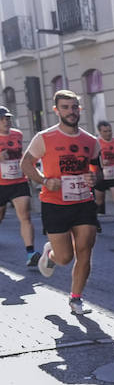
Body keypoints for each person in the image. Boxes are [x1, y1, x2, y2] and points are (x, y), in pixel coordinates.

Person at [22, 90, 101, 314]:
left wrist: (94, 177)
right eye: (65, 107)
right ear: (57, 111)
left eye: (74, 107)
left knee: (85, 249)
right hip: (54, 204)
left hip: (84, 202)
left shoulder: (90, 141)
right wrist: (44, 180)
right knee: (65, 257)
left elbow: (98, 170)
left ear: (80, 109)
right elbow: (26, 164)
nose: (71, 111)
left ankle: (76, 299)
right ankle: (51, 254)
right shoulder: (44, 137)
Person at [0, 106, 39, 265]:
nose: (6, 121)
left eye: (8, 118)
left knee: (25, 216)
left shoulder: (18, 135)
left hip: (18, 181)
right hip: (0, 185)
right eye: (2, 119)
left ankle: (30, 253)